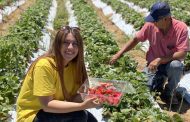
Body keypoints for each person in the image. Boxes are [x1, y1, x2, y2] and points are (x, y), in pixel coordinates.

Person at [110, 2, 189, 104]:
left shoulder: (181, 28)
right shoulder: (150, 25)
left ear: (165, 19)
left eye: (155, 20)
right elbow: (135, 40)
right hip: (153, 66)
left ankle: (169, 92)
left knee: (176, 66)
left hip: (170, 66)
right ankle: (159, 82)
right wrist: (118, 54)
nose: (153, 22)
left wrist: (160, 59)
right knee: (143, 89)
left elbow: (182, 53)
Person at [16, 26, 100, 122]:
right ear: (57, 44)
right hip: (34, 114)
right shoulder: (45, 65)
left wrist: (93, 96)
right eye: (66, 42)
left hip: (53, 110)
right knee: (79, 116)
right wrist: (82, 106)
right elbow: (47, 105)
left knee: (91, 120)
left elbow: (73, 100)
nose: (70, 47)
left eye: (75, 44)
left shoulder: (75, 66)